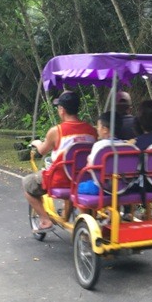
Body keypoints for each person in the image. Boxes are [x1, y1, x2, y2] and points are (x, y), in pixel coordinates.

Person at [22, 91, 96, 233]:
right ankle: (67, 216)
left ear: (62, 110)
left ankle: (45, 220)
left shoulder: (56, 131)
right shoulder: (92, 130)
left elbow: (43, 151)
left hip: (60, 179)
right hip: (83, 178)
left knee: (27, 184)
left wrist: (37, 143)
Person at [77, 111, 123, 196]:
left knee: (77, 187)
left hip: (102, 187)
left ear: (105, 129)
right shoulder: (125, 145)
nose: (97, 129)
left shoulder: (99, 145)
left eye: (98, 126)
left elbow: (90, 168)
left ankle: (85, 210)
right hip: (122, 187)